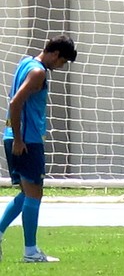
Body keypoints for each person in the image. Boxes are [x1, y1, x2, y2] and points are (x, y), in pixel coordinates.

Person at [0, 34, 77, 262]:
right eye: (62, 61)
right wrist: (19, 140)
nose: (60, 66)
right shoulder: (38, 72)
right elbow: (15, 102)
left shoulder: (26, 62)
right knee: (35, 193)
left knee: (27, 193)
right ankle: (30, 251)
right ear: (54, 54)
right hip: (26, 140)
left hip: (15, 136)